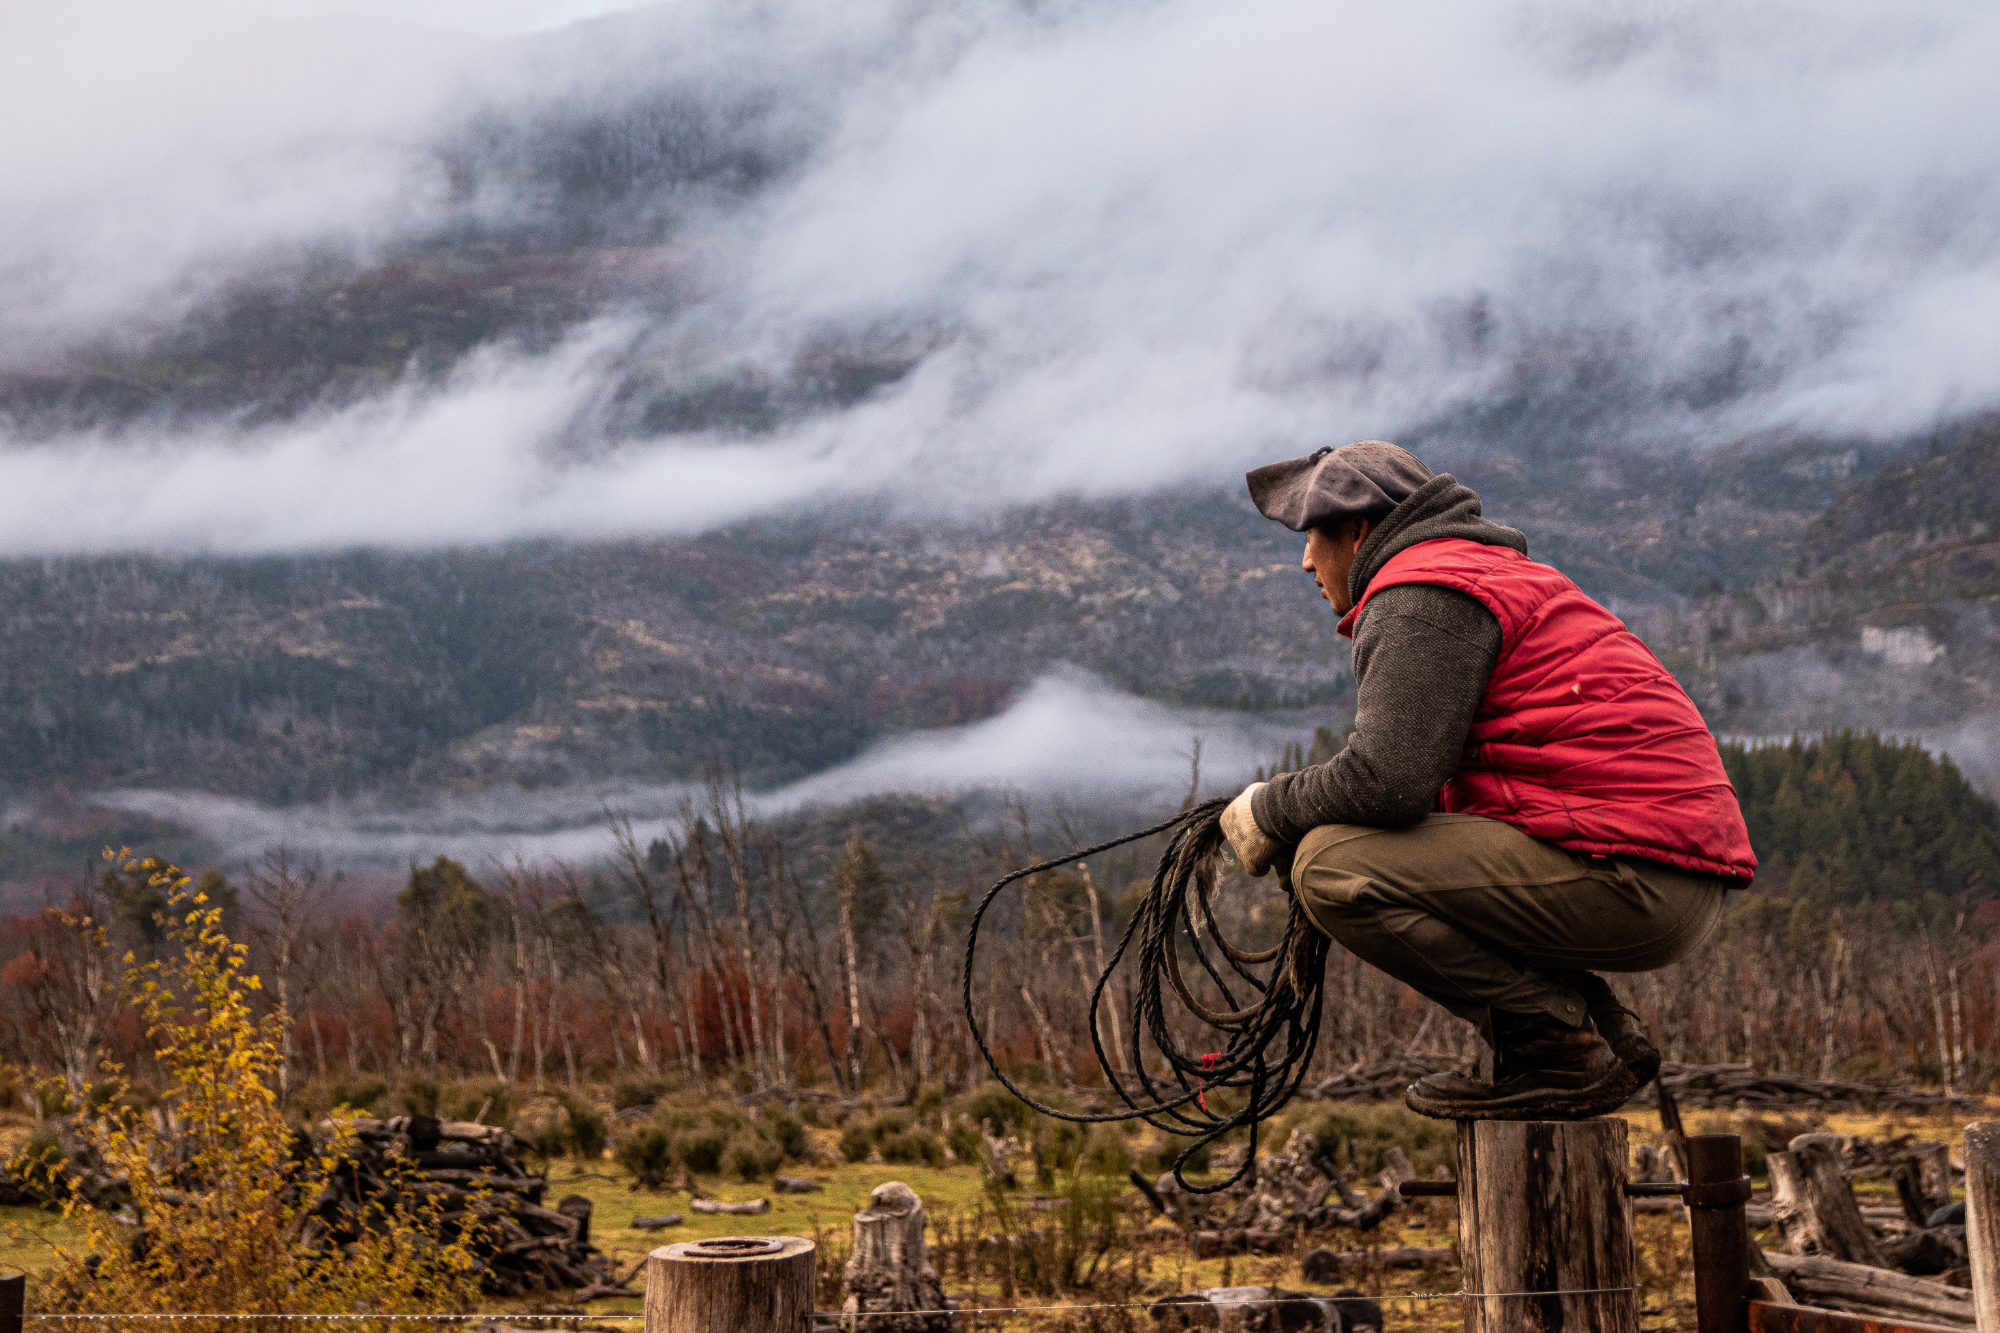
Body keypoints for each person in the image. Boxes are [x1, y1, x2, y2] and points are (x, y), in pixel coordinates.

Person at [1219, 441, 1755, 1120]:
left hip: (1638, 875)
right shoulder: (1473, 573)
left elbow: (1387, 781)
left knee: (1329, 865)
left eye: (1312, 535)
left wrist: (1270, 807)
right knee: (1359, 850)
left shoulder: (1422, 594)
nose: (1304, 560)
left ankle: (1551, 1050)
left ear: (1358, 531)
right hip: (1660, 869)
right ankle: (1590, 1027)